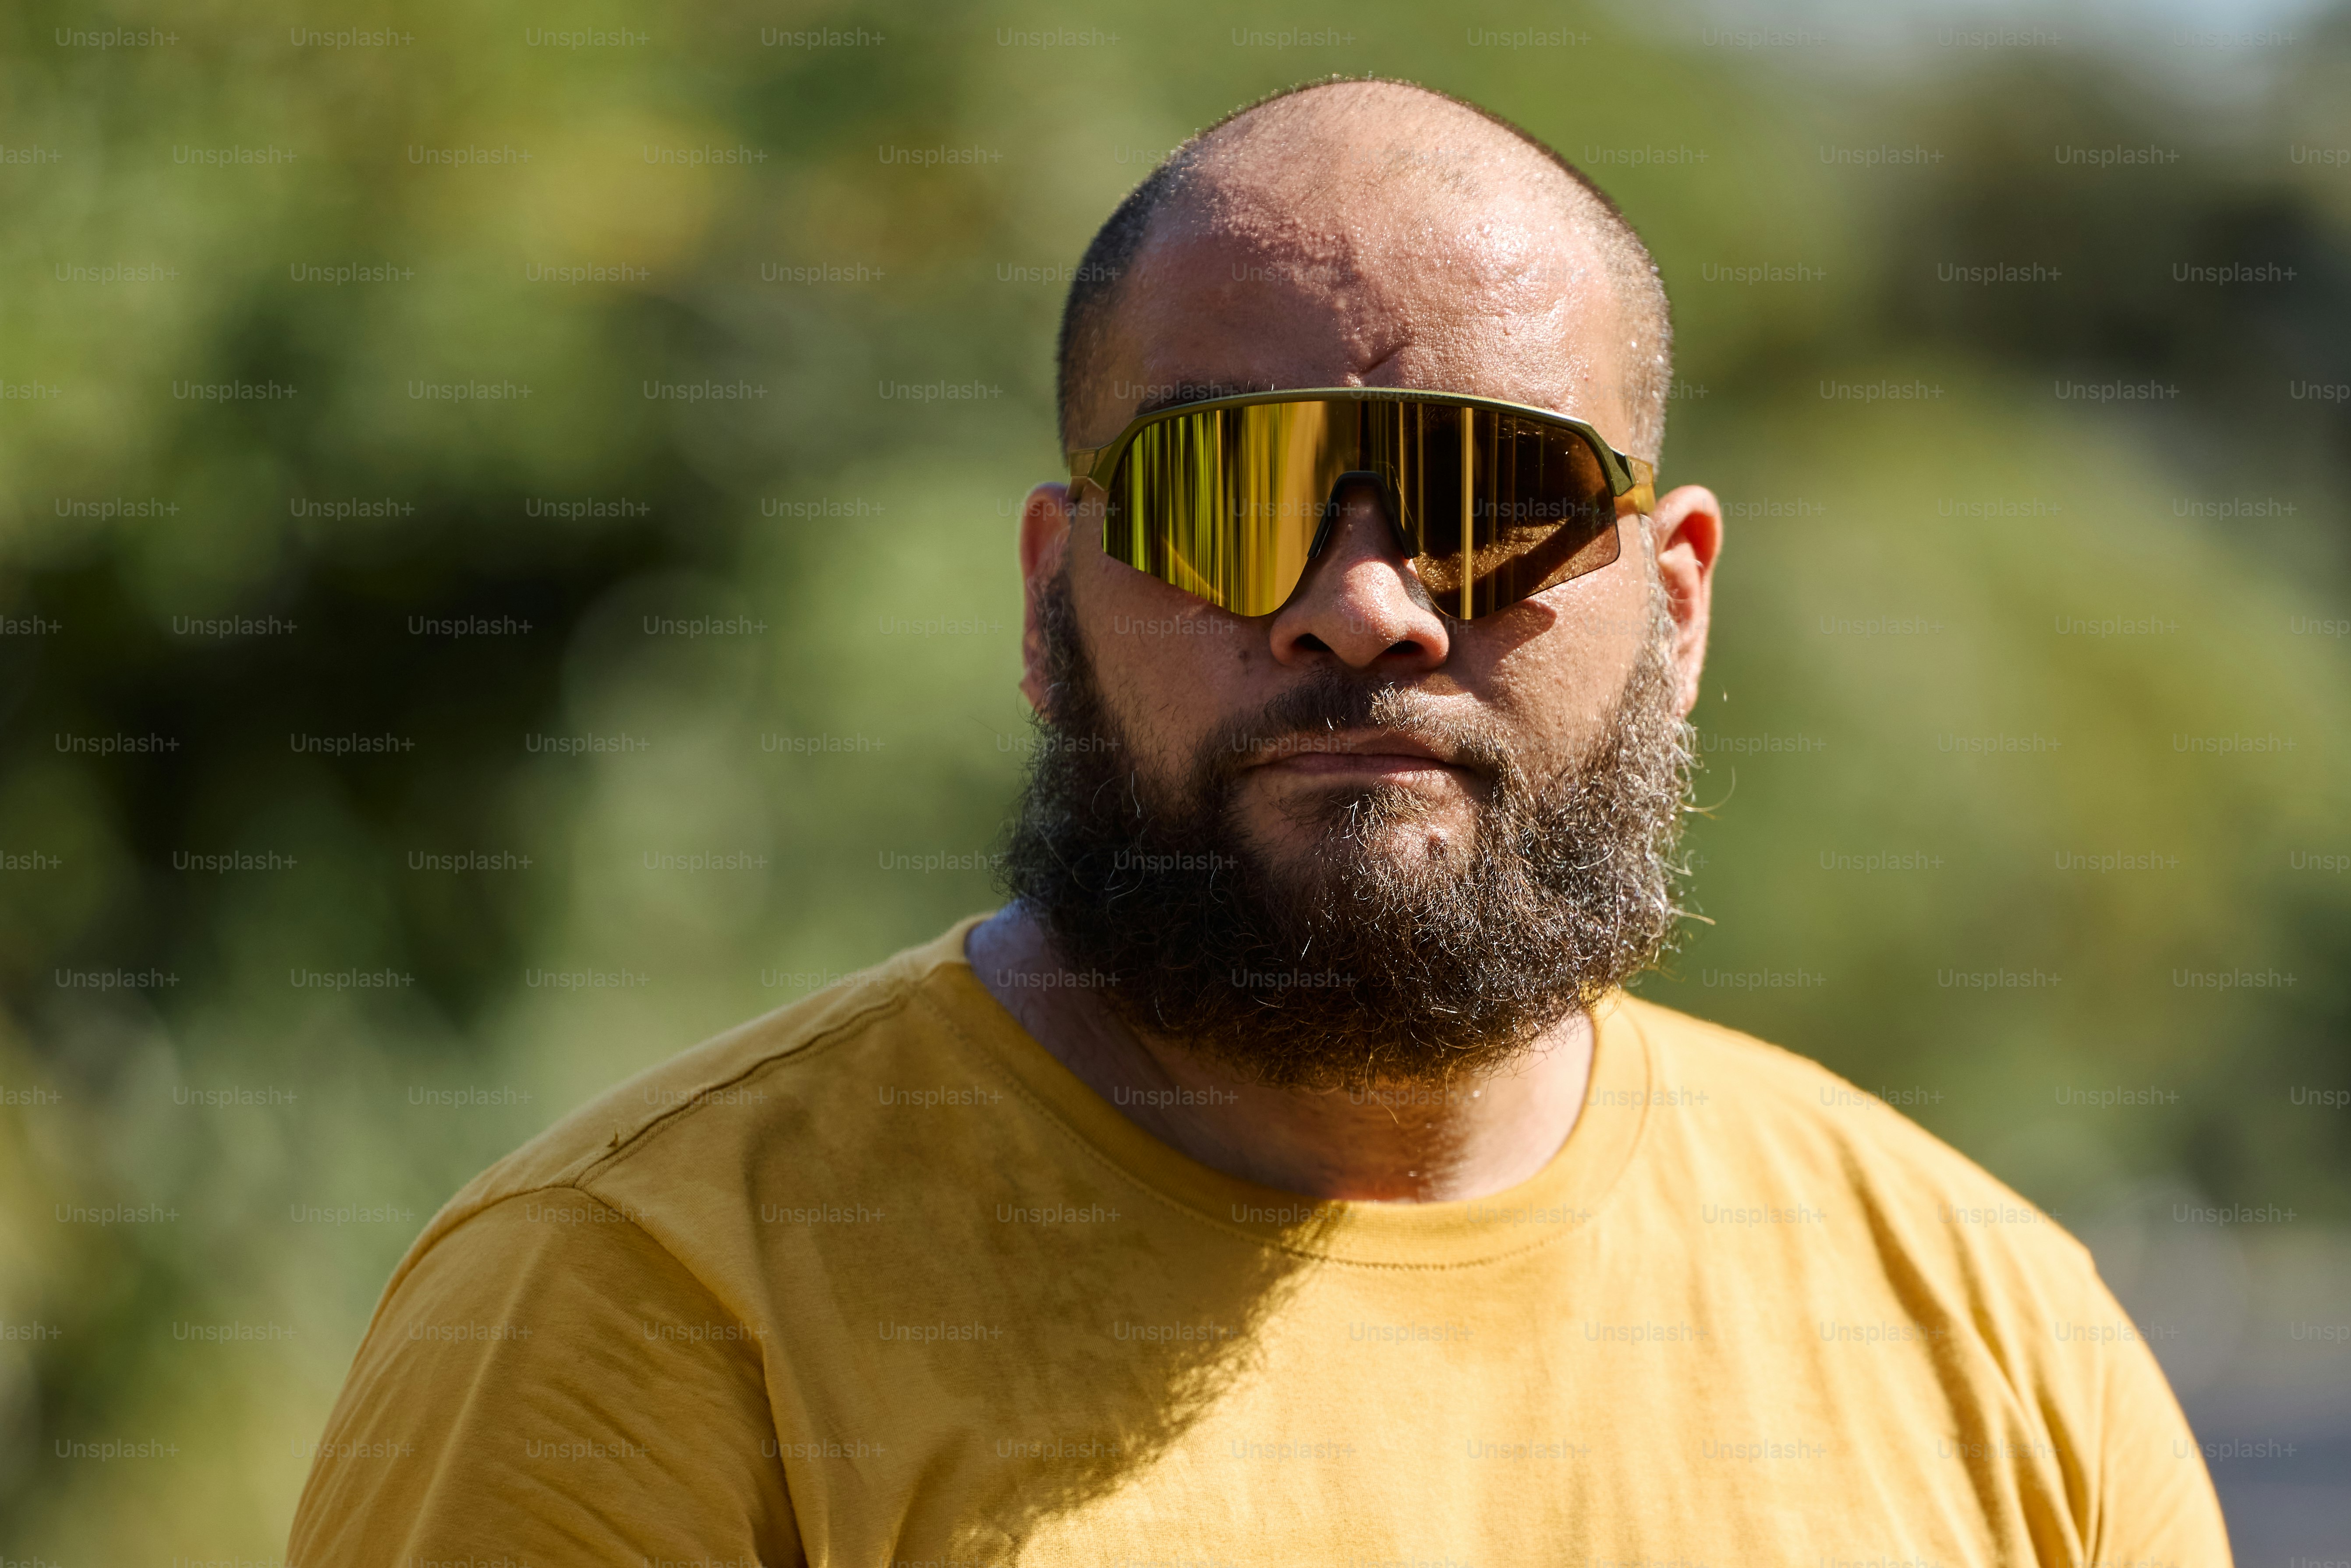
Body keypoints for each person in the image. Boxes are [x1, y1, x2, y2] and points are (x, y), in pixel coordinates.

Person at [290, 78, 2231, 1566]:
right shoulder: (642, 1307)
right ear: (1054, 600)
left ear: (1683, 600)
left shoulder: (1993, 1345)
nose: (1364, 603)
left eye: (1495, 493)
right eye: (1230, 494)